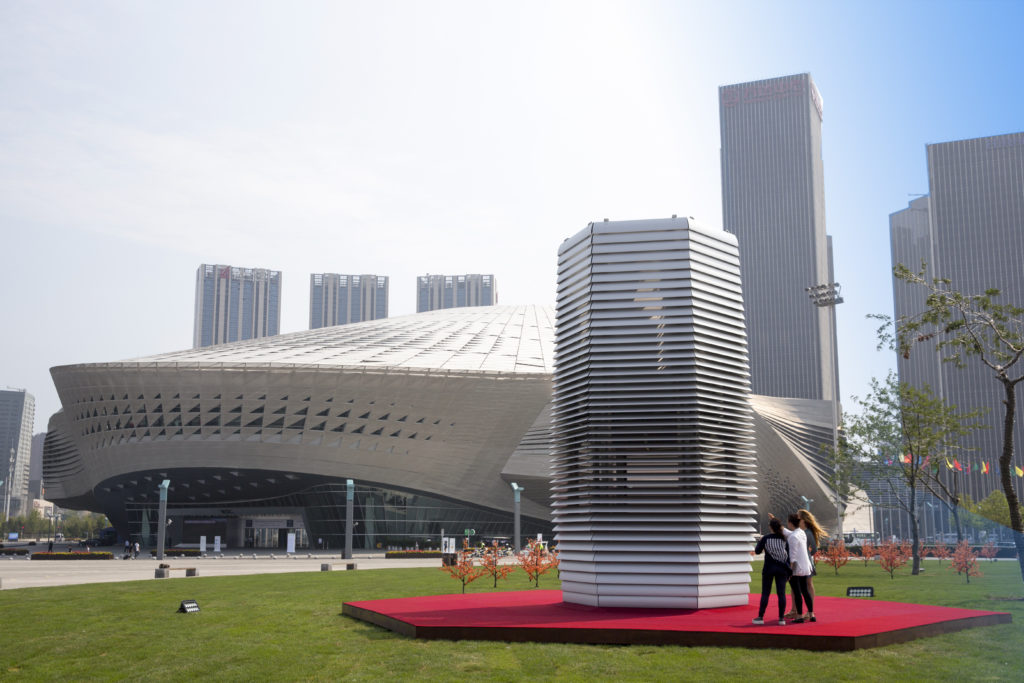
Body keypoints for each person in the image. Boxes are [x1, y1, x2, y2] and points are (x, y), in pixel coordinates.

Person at [752, 518, 790, 625]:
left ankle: (760, 617)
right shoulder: (784, 539)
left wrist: (763, 545)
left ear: (770, 527)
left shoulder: (766, 538)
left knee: (765, 594)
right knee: (781, 594)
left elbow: (757, 551)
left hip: (769, 568)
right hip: (782, 569)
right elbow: (788, 554)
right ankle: (781, 619)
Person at [780, 513, 815, 622]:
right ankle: (811, 614)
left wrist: (789, 571)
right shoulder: (801, 533)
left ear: (790, 523)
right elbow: (789, 533)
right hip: (805, 566)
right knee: (805, 590)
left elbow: (792, 556)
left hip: (796, 568)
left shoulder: (793, 537)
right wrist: (778, 523)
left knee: (797, 591)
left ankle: (799, 615)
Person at [798, 508, 829, 600]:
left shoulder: (808, 533)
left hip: (806, 562)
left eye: (798, 516)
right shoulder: (798, 531)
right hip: (798, 561)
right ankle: (796, 609)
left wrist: (807, 555)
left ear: (803, 519)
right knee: (798, 586)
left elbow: (814, 549)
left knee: (808, 584)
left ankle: (809, 609)